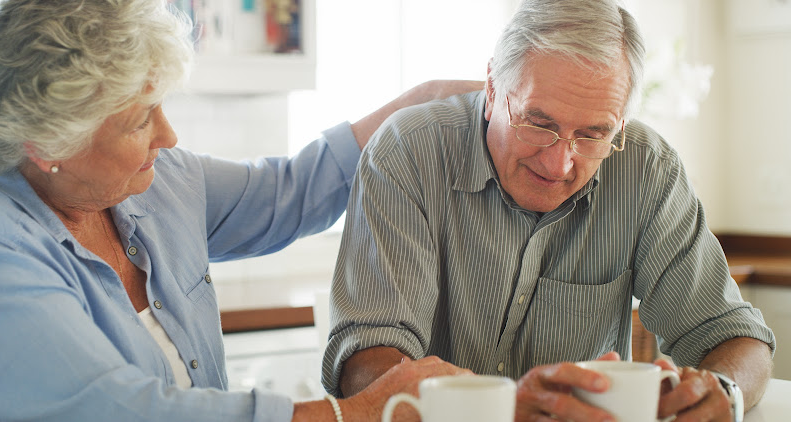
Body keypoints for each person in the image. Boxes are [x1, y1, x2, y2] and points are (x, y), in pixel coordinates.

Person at [0, 0, 481, 421]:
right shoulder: (4, 251)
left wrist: (421, 102)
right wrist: (351, 413)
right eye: (141, 121)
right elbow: (121, 408)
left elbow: (288, 192)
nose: (168, 136)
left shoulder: (159, 184)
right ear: (49, 145)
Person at [322, 0, 775, 421]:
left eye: (594, 134)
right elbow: (367, 363)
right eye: (539, 124)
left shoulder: (646, 168)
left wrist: (724, 391)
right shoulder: (408, 152)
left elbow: (732, 335)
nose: (560, 163)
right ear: (494, 88)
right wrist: (499, 409)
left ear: (619, 123)